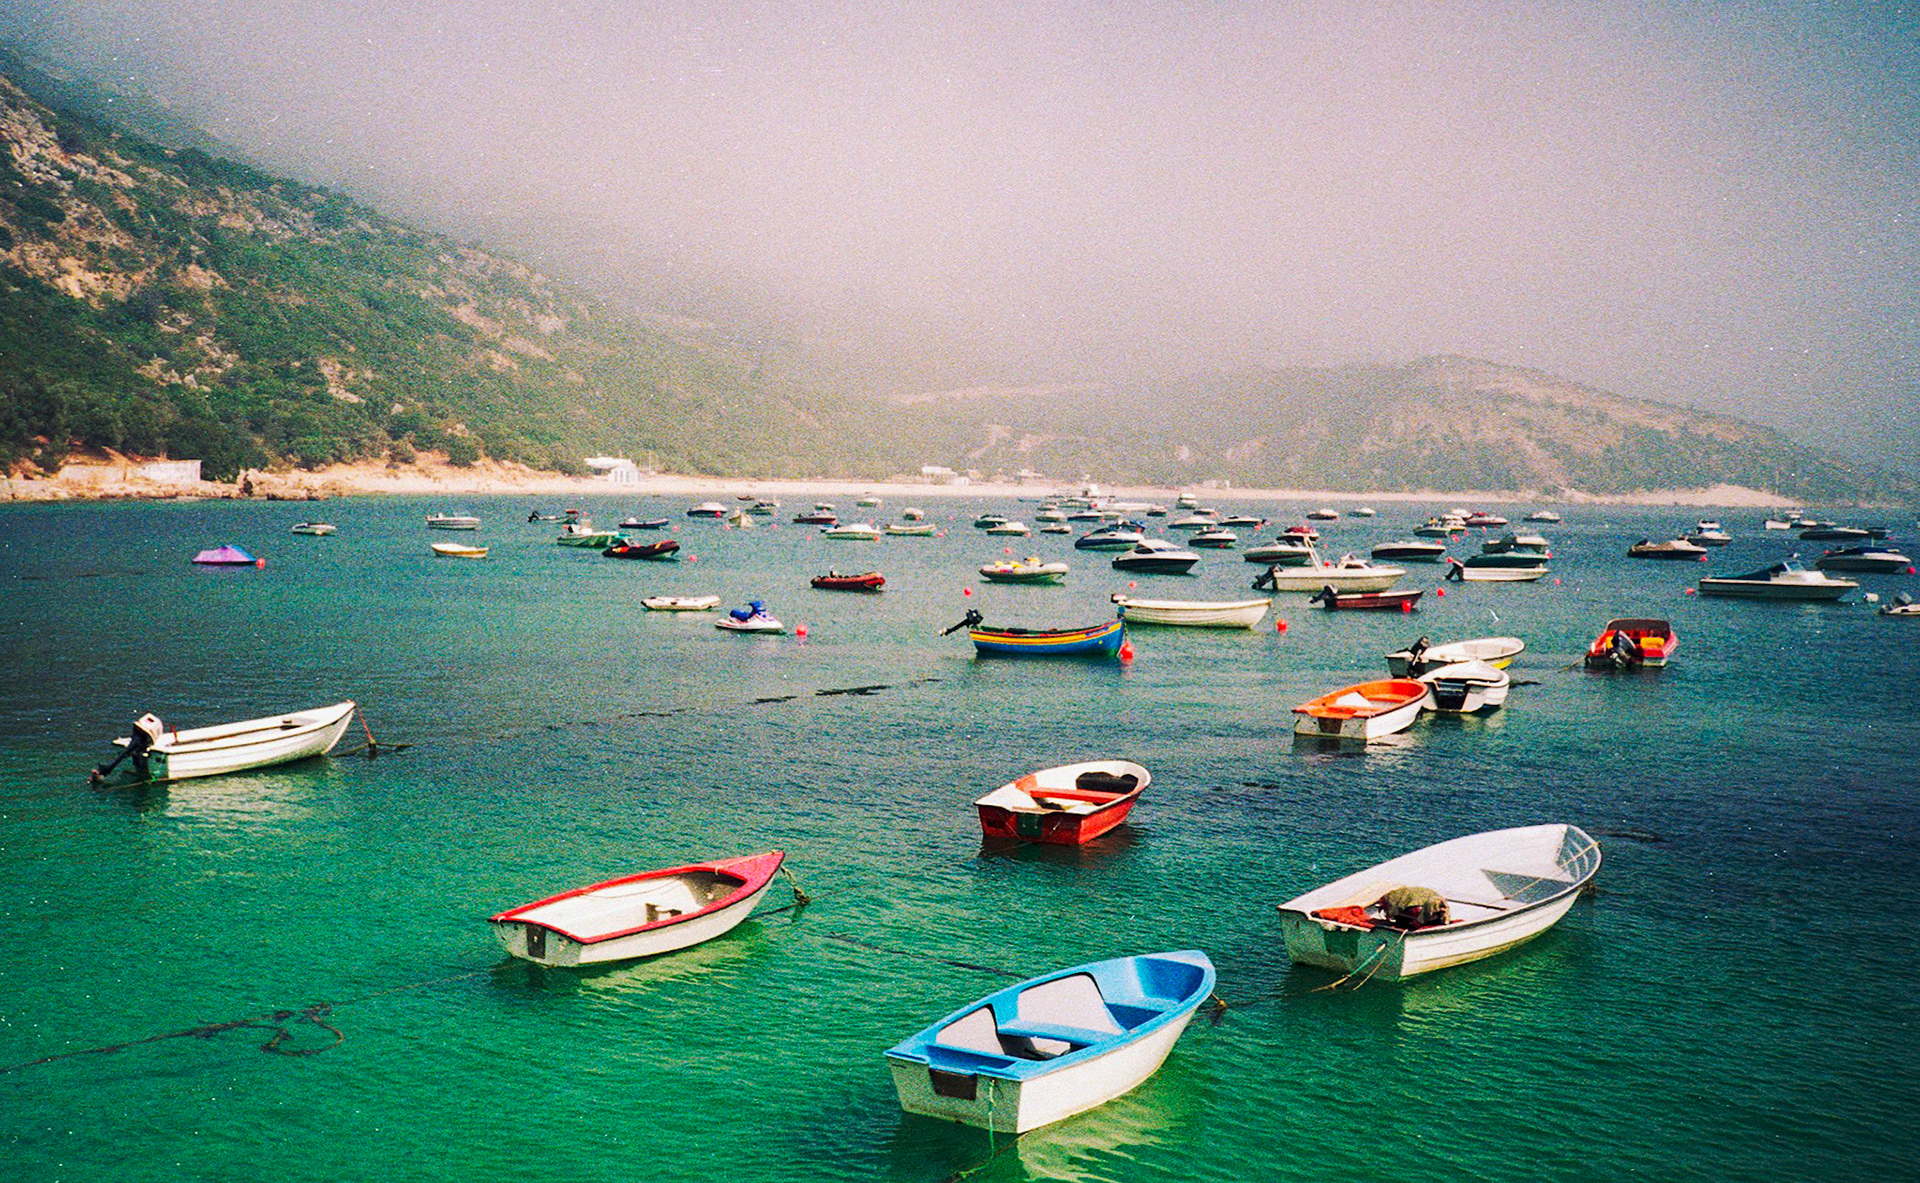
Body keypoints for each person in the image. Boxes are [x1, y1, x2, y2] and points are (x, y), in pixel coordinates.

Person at [90, 713, 164, 783]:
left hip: (139, 746)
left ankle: (105, 771)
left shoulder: (138, 738)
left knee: (129, 751)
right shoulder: (141, 739)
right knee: (130, 751)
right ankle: (105, 771)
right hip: (141, 746)